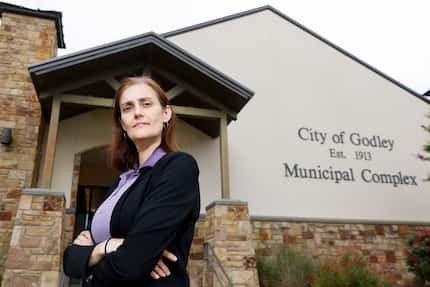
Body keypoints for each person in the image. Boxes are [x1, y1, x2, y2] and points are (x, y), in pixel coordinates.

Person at [63, 76, 201, 286]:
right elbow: (69, 260)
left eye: (146, 104)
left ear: (166, 113)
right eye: (127, 108)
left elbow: (131, 265)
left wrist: (92, 258)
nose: (137, 112)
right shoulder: (121, 183)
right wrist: (107, 246)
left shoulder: (178, 168)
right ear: (122, 123)